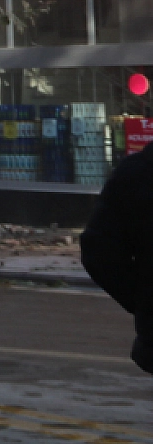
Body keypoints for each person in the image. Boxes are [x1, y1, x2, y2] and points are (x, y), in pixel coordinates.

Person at [80, 137, 153, 374]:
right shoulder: (138, 174)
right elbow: (99, 250)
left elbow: (99, 251)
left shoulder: (137, 173)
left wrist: (143, 301)